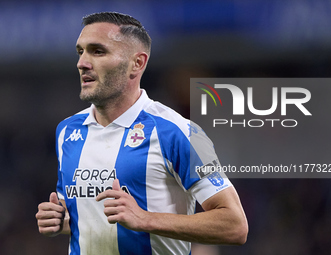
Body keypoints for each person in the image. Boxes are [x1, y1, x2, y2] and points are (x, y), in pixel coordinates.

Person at [35, 12, 248, 255]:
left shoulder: (177, 131)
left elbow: (235, 226)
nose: (82, 62)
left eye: (97, 51)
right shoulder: (68, 130)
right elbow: (87, 216)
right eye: (80, 51)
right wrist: (60, 219)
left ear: (137, 63)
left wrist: (145, 219)